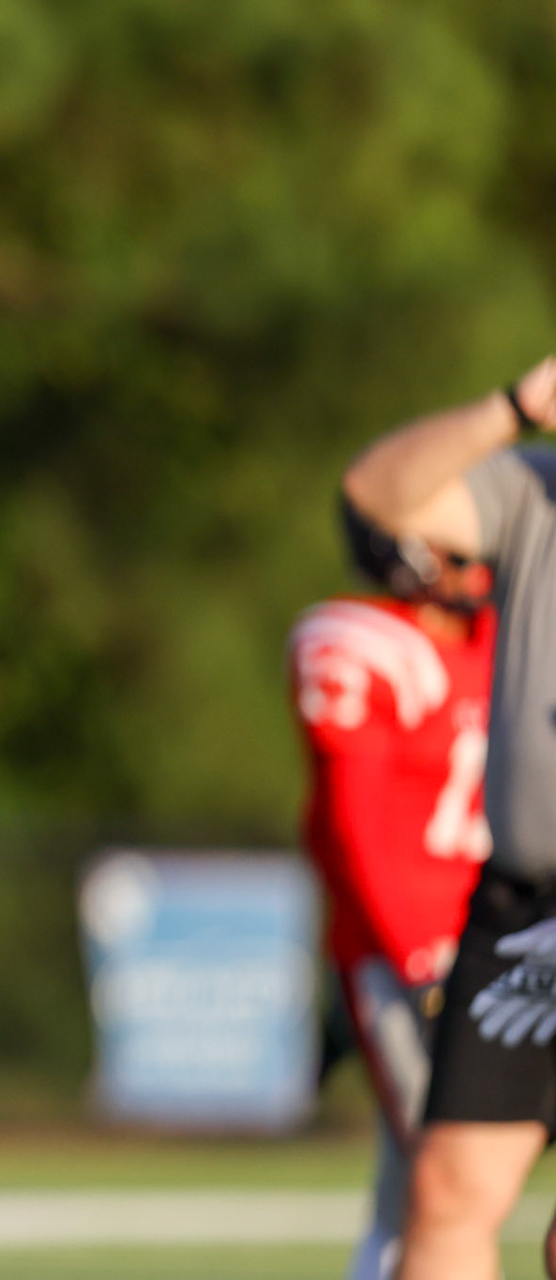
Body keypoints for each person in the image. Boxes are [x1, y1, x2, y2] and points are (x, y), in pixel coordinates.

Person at [340, 355, 556, 1280]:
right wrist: (512, 410)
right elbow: (378, 494)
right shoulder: (532, 492)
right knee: (447, 1197)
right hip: (525, 906)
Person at [289, 504, 495, 1280]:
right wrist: (414, 949)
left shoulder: (503, 638)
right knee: (435, 1171)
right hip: (402, 948)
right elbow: (354, 824)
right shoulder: (359, 642)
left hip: (501, 933)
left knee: (424, 1180)